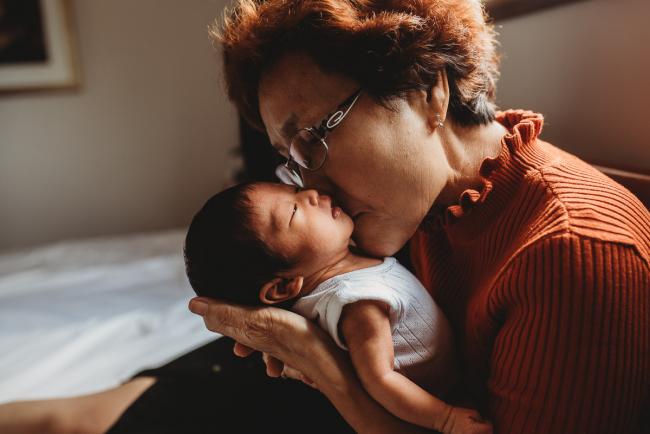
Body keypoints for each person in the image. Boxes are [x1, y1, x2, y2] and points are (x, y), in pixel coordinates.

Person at [1, 0, 647, 432]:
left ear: (428, 90)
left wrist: (329, 370)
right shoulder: (422, 197)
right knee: (73, 418)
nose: (308, 184)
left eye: (312, 138)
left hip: (340, 391)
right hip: (299, 373)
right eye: (289, 159)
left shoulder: (570, 259)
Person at [183, 181, 491, 433]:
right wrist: (445, 418)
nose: (310, 194)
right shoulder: (356, 303)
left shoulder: (350, 264)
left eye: (293, 190)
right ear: (282, 287)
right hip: (432, 406)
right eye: (293, 211)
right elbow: (381, 380)